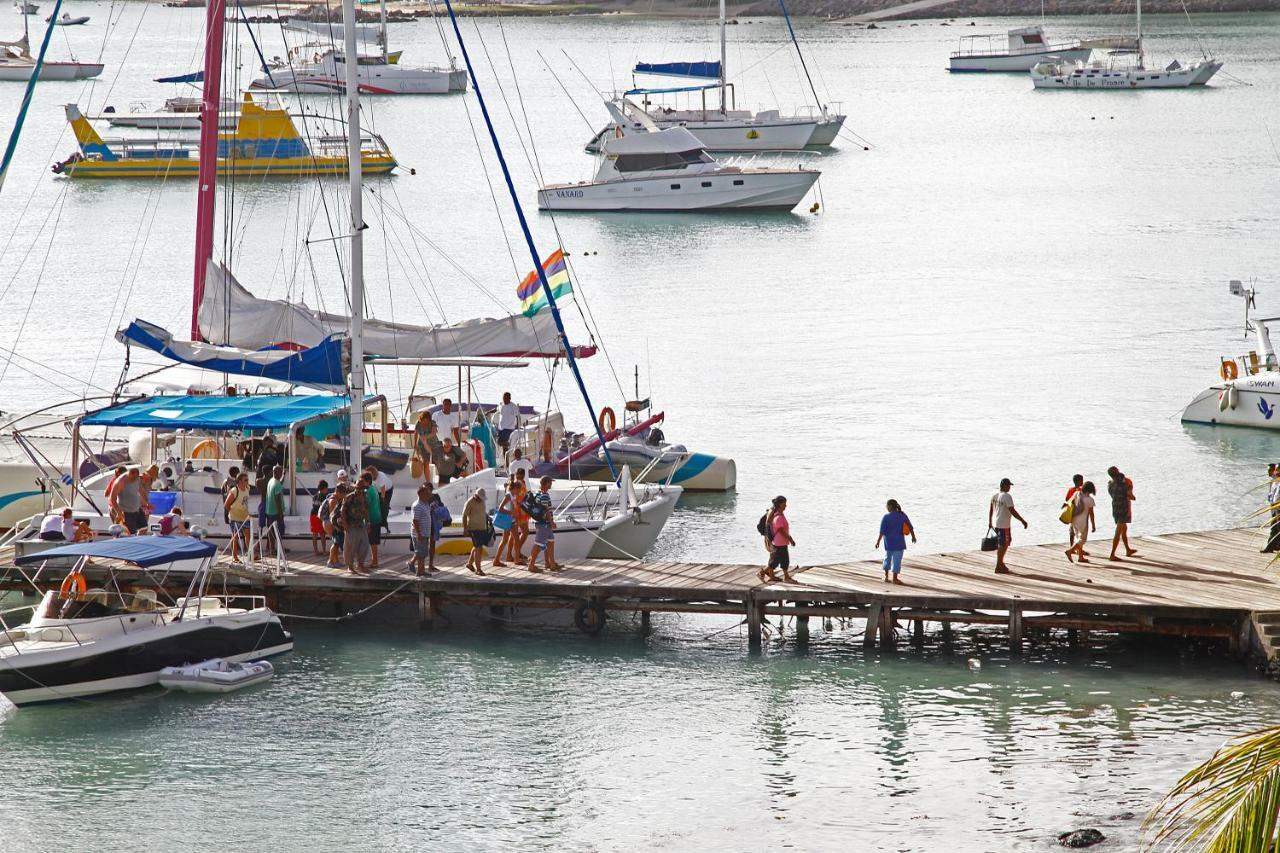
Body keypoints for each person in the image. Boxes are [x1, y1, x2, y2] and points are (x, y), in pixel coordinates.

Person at [987, 477, 1027, 575]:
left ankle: (1001, 564)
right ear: (1004, 486)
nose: (1009, 487)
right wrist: (1022, 521)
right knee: (1003, 544)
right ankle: (998, 565)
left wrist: (990, 522)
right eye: (1009, 485)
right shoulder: (1007, 496)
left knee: (1004, 544)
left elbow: (991, 510)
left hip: (997, 523)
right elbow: (1012, 510)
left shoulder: (994, 496)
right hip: (1004, 524)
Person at [526, 475, 562, 573]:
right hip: (544, 523)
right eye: (550, 483)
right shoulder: (545, 495)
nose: (551, 485)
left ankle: (551, 564)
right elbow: (546, 510)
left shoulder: (538, 493)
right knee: (538, 544)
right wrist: (552, 522)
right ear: (546, 484)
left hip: (542, 522)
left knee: (550, 541)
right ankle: (531, 565)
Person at [875, 499, 915, 584]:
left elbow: (882, 531)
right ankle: (895, 578)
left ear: (890, 506)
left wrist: (878, 542)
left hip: (889, 543)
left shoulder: (886, 517)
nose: (886, 507)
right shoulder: (902, 515)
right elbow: (910, 526)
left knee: (887, 558)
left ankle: (886, 576)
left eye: (886, 506)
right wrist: (913, 537)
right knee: (897, 560)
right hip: (899, 543)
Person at [760, 495, 796, 584]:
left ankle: (786, 576)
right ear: (779, 505)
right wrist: (790, 539)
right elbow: (781, 530)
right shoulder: (778, 517)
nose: (785, 506)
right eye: (784, 504)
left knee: (784, 560)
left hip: (782, 542)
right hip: (779, 542)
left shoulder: (779, 515)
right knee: (776, 560)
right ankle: (762, 572)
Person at [340, 480, 371, 573]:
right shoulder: (349, 497)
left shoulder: (365, 497)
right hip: (351, 524)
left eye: (362, 488)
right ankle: (350, 566)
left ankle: (360, 564)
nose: (360, 490)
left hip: (361, 524)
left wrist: (368, 523)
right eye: (358, 488)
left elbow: (366, 511)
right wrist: (345, 523)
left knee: (365, 544)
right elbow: (343, 511)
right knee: (351, 546)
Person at [1108, 466, 1138, 561]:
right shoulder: (1125, 485)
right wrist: (1131, 493)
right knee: (1118, 531)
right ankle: (1112, 554)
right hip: (1124, 509)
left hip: (1115, 508)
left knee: (1124, 529)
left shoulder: (1110, 485)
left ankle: (1128, 550)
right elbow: (1132, 497)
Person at [1065, 481, 1098, 563]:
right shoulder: (1089, 500)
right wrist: (1093, 525)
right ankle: (1069, 551)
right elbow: (1091, 514)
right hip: (1083, 521)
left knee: (1078, 538)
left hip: (1074, 519)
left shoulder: (1077, 493)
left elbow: (1069, 503)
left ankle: (1080, 557)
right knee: (1082, 539)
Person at [224, 472, 252, 563]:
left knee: (248, 536)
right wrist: (233, 512)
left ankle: (250, 554)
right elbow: (226, 504)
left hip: (245, 516)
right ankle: (235, 556)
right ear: (240, 481)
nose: (247, 481)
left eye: (247, 479)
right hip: (235, 517)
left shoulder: (247, 488)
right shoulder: (234, 491)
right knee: (235, 537)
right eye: (245, 480)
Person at [492, 480, 518, 569]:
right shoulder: (508, 495)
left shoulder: (513, 495)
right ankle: (496, 560)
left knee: (516, 539)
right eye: (518, 489)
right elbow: (500, 508)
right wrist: (511, 513)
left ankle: (516, 559)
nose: (518, 492)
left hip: (512, 520)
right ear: (514, 488)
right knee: (505, 540)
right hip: (508, 520)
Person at [462, 488, 489, 576]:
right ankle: (478, 569)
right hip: (474, 528)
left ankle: (470, 564)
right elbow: (464, 515)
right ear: (476, 495)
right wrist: (465, 528)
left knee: (477, 546)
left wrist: (487, 518)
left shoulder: (482, 502)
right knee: (478, 548)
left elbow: (483, 512)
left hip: (482, 527)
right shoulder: (469, 502)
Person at [112, 467, 146, 535]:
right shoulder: (120, 482)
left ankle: (139, 542)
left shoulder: (137, 479)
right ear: (129, 474)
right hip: (126, 512)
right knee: (130, 533)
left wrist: (146, 502)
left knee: (144, 528)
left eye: (136, 478)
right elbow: (112, 498)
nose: (134, 480)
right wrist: (119, 512)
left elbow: (140, 490)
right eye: (132, 478)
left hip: (137, 510)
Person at [410, 484, 435, 576]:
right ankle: (419, 570)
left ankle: (421, 570)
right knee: (421, 553)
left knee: (423, 553)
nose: (429, 496)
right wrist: (418, 534)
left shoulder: (425, 503)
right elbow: (415, 521)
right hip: (420, 533)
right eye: (426, 494)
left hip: (425, 533)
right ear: (421, 495)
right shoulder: (417, 505)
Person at [361, 471, 382, 569]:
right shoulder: (374, 489)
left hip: (372, 519)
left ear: (367, 481)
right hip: (377, 517)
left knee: (372, 542)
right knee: (374, 541)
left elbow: (366, 506)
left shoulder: (368, 492)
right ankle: (374, 560)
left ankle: (375, 562)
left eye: (362, 481)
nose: (361, 483)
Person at [508, 468, 530, 562]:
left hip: (516, 511)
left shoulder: (514, 483)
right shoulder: (520, 483)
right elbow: (521, 497)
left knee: (512, 535)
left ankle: (511, 554)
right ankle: (517, 552)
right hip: (520, 511)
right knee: (524, 532)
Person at [264, 465, 286, 552]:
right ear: (278, 473)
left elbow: (280, 483)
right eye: (281, 472)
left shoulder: (271, 481)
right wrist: (280, 514)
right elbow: (277, 500)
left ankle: (272, 549)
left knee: (271, 531)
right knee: (279, 532)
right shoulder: (277, 484)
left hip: (269, 511)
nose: (281, 474)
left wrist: (284, 476)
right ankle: (279, 549)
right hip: (276, 512)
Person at [324, 485, 347, 569]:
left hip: (334, 523)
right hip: (330, 523)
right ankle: (330, 561)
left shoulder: (338, 498)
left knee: (337, 542)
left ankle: (336, 561)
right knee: (335, 542)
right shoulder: (333, 501)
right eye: (342, 493)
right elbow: (332, 516)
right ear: (337, 492)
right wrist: (336, 527)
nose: (344, 495)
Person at [413, 411, 439, 480]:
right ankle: (428, 482)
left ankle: (442, 478)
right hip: (422, 445)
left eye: (426, 421)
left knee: (437, 462)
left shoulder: (432, 423)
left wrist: (425, 437)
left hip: (433, 445)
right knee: (425, 464)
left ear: (429, 420)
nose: (424, 423)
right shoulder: (418, 423)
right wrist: (415, 444)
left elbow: (434, 433)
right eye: (423, 421)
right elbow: (416, 433)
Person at [1064, 474, 1085, 550]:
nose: (1083, 482)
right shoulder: (1080, 491)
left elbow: (1067, 500)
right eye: (1082, 480)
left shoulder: (1070, 490)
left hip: (1071, 513)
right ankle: (1078, 549)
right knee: (1079, 532)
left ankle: (1072, 546)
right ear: (1079, 481)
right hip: (1079, 513)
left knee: (1072, 531)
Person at [497, 391, 520, 457]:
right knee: (499, 442)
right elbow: (497, 410)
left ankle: (506, 462)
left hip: (509, 429)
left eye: (506, 398)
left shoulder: (513, 406)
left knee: (504, 448)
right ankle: (508, 445)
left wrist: (518, 426)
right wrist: (488, 412)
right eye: (504, 398)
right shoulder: (501, 405)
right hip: (501, 428)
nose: (505, 399)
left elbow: (518, 416)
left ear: (509, 398)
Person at [310, 480, 330, 556]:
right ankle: (324, 550)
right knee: (322, 533)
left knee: (314, 533)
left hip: (312, 515)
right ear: (324, 488)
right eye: (326, 488)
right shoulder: (324, 496)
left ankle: (316, 551)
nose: (327, 490)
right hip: (319, 516)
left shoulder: (315, 495)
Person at [373, 466, 394, 534]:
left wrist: (382, 500)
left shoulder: (380, 477)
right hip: (378, 491)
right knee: (379, 507)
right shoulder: (370, 477)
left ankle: (385, 524)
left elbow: (383, 491)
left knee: (384, 506)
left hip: (387, 490)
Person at [1265, 464, 1280, 553]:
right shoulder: (1273, 481)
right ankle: (1270, 547)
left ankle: (1275, 546)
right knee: (1274, 527)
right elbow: (1272, 494)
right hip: (1274, 506)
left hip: (1278, 507)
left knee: (1278, 528)